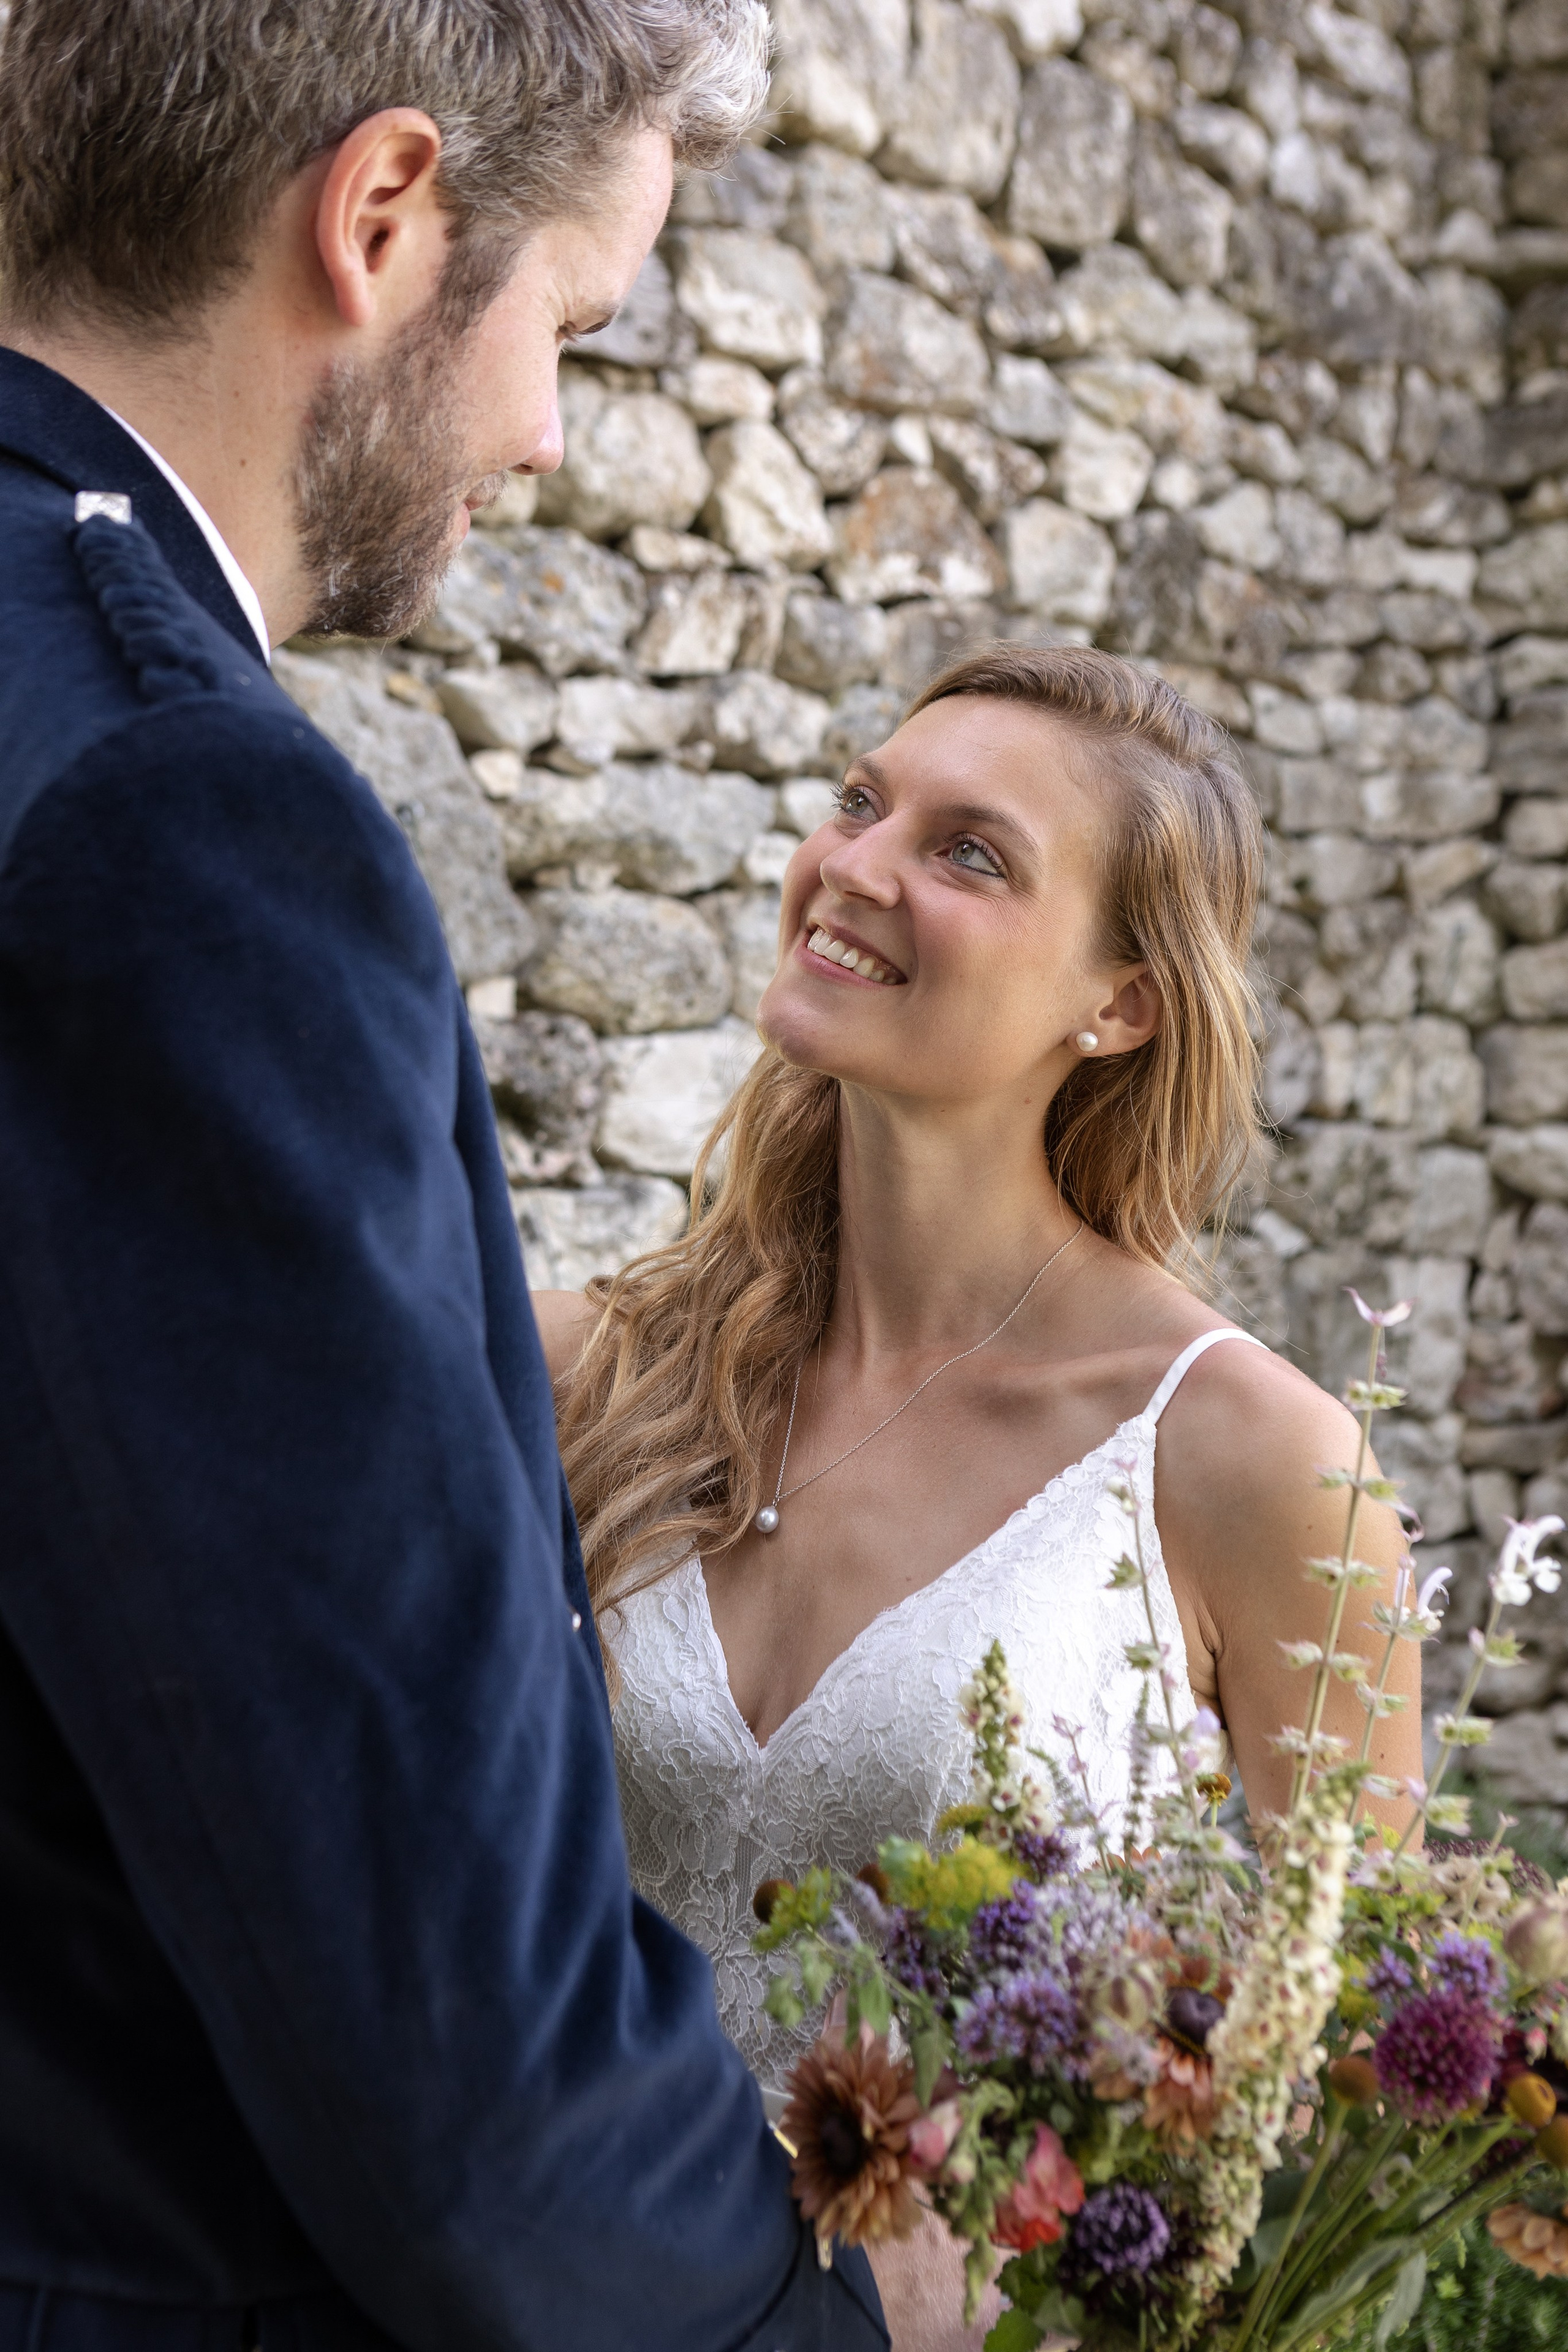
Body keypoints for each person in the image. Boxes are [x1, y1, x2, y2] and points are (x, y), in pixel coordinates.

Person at [0, 5, 888, 2350]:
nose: (547, 437)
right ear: (382, 215)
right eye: (569, 325)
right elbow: (449, 2065)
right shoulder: (181, 823)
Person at [534, 647, 1422, 2352]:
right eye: (862, 802)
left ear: (1121, 1003)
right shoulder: (585, 1372)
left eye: (969, 852)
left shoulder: (1249, 1458)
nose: (854, 864)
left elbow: (1361, 2097)